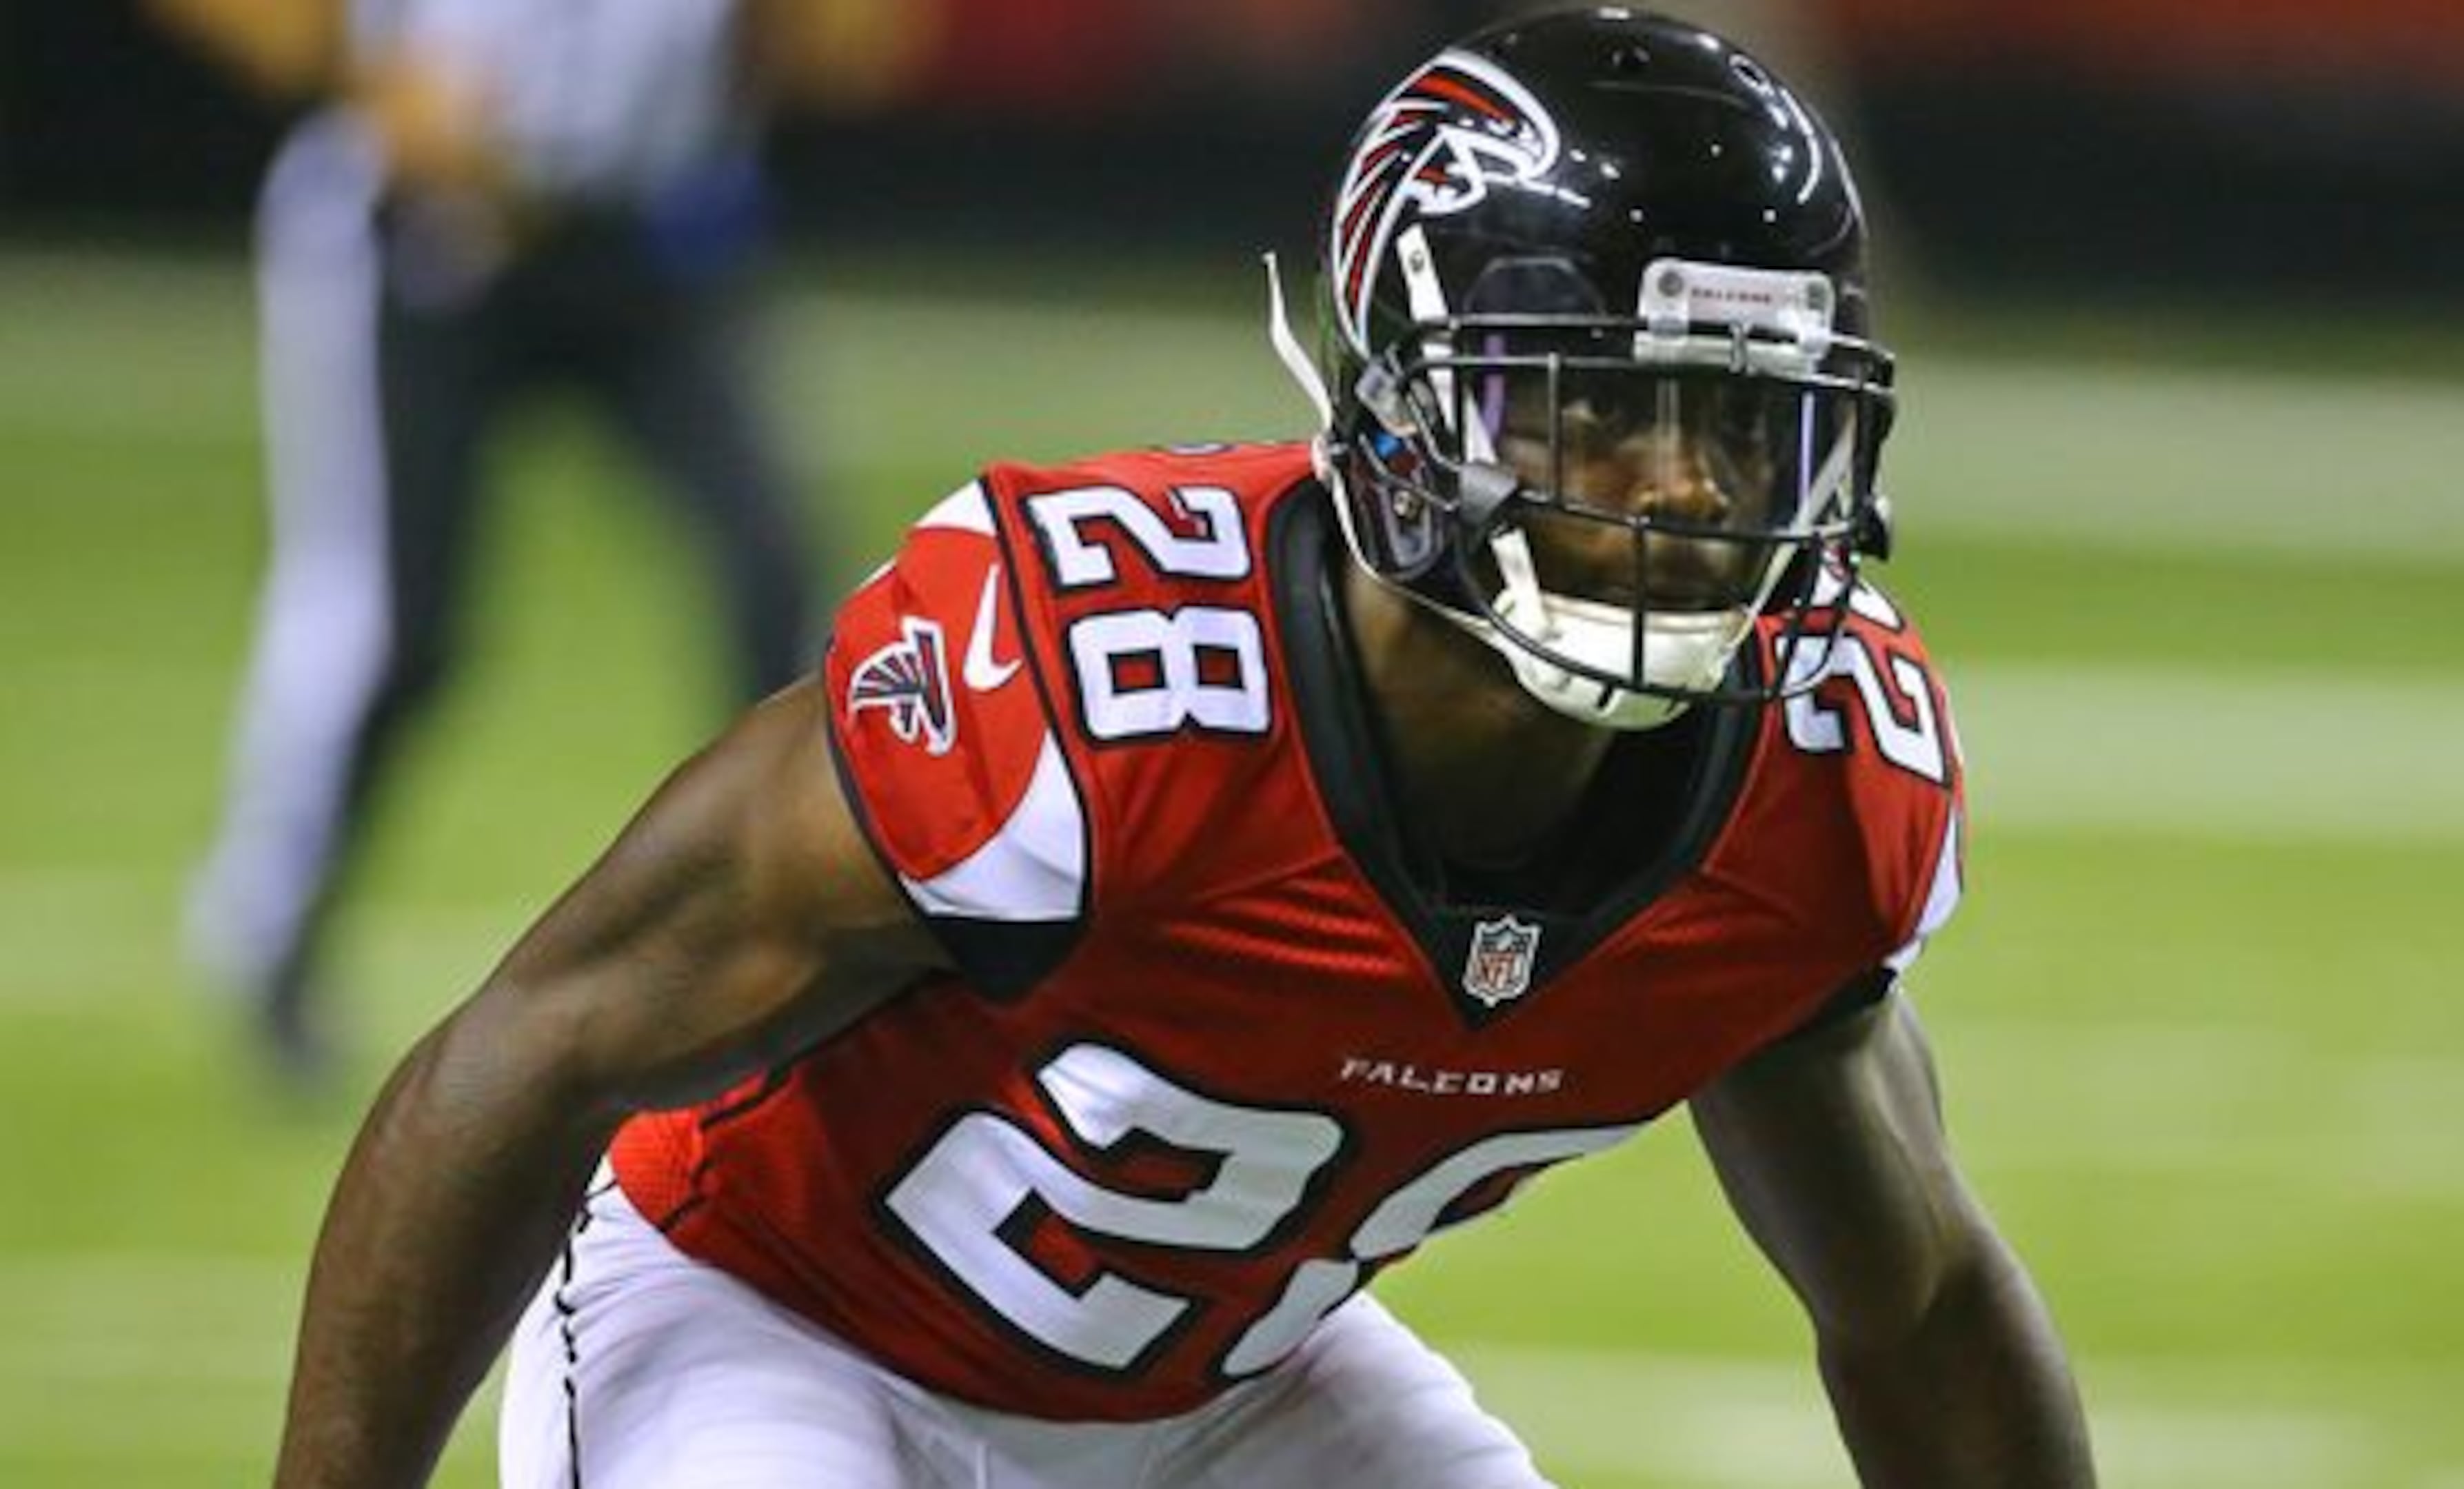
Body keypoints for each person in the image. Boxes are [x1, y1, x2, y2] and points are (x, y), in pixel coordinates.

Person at [272, 9, 2097, 1486]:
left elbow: (1916, 1299)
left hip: (1223, 1395)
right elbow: (531, 1053)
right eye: (1604, 405)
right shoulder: (1097, 684)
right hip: (765, 1319)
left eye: (1745, 424)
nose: (1687, 488)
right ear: (1407, 393)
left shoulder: (1798, 784)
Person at [151, 0, 908, 1080]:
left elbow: (854, 50)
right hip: (427, 234)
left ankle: (815, 944)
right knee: (389, 626)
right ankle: (270, 932)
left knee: (776, 591)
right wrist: (363, 81)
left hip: (653, 238)